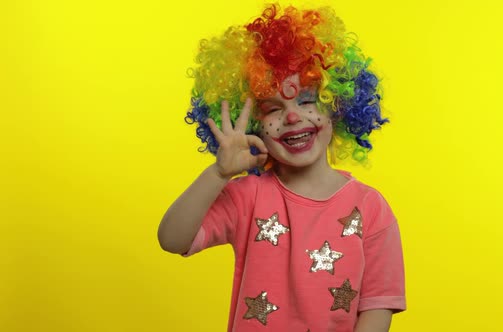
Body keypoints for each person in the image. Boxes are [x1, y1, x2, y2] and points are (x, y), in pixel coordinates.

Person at [158, 4, 406, 331]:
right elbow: (172, 239)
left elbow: (377, 307)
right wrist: (218, 174)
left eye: (306, 101)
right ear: (254, 126)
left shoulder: (371, 208)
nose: (291, 117)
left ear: (338, 107)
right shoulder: (247, 196)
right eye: (273, 108)